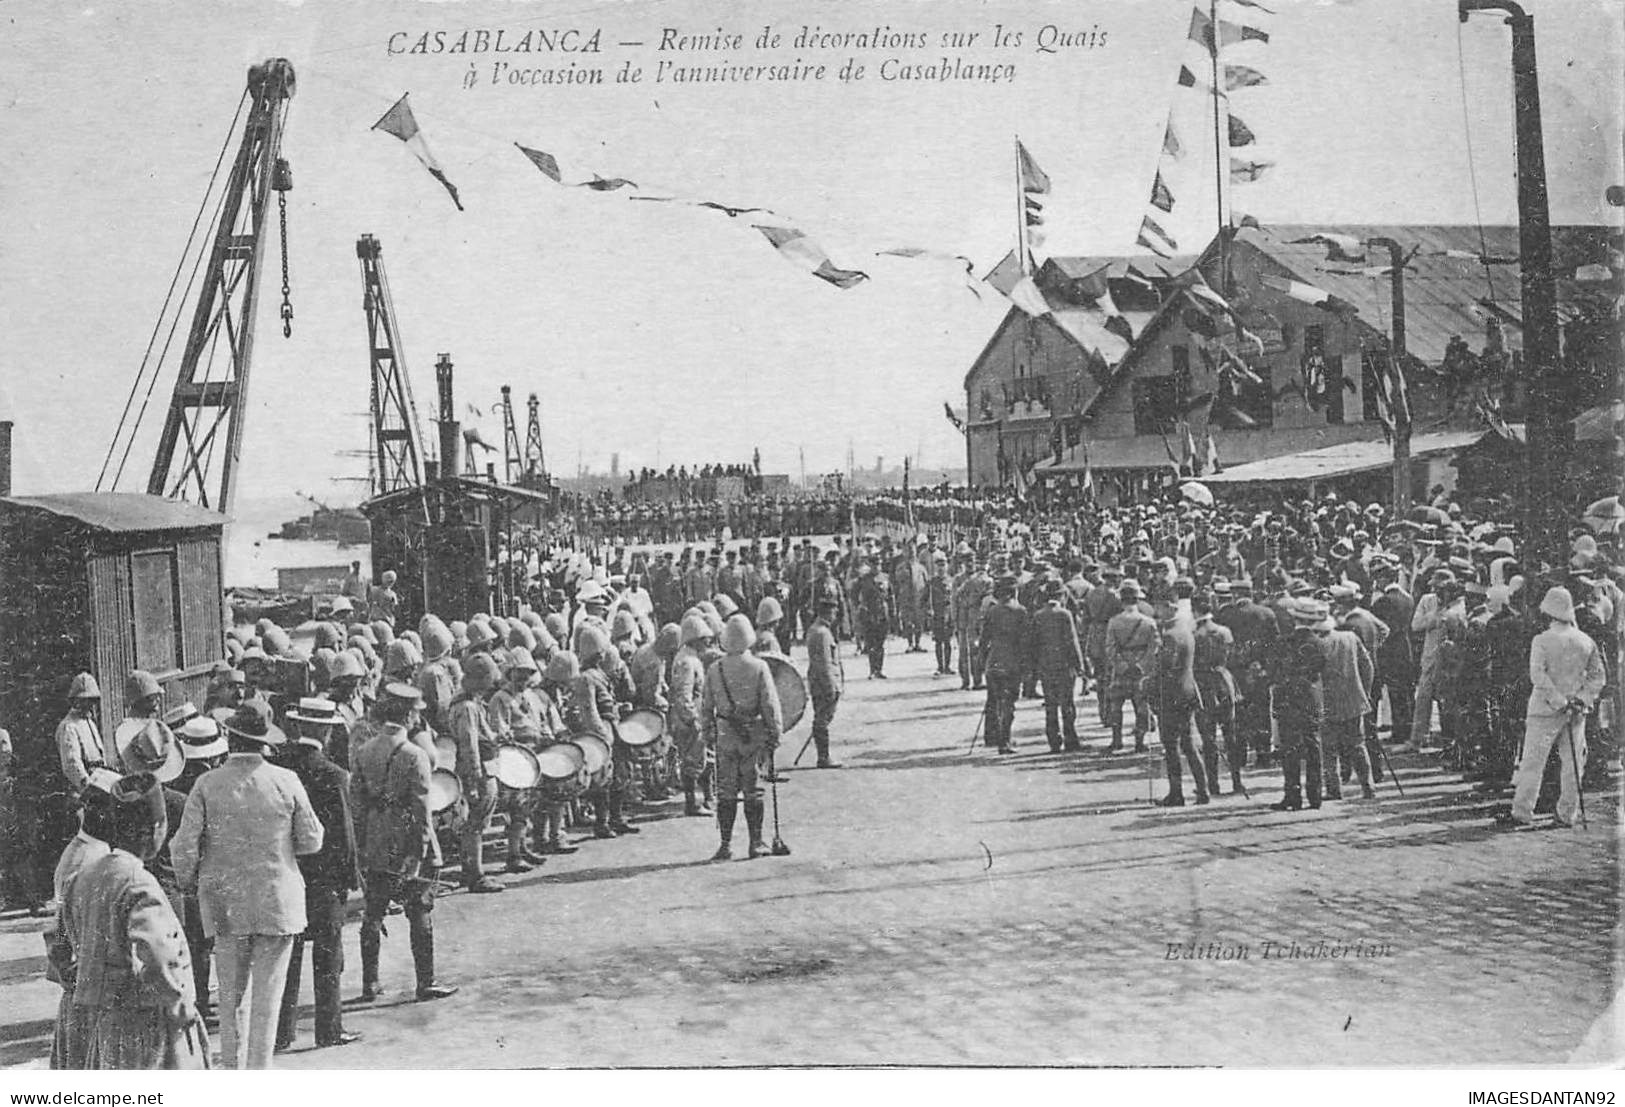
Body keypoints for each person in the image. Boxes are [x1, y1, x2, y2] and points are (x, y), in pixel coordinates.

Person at [171, 699, 323, 1069]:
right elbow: (312, 839)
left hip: (225, 902)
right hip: (277, 899)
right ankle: (259, 1072)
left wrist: (189, 880)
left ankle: (233, 1071)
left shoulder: (207, 785)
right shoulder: (286, 780)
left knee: (230, 997)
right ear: (264, 741)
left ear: (230, 737)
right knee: (268, 997)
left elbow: (184, 848)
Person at [53, 774, 209, 1070]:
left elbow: (57, 944)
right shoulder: (139, 883)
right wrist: (180, 1006)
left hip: (103, 1021)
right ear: (154, 830)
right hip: (145, 1024)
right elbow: (157, 957)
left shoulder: (81, 877)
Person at [350, 683, 459, 1002]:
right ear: (408, 715)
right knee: (420, 909)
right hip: (409, 843)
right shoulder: (416, 756)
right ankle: (426, 982)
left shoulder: (364, 751)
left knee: (373, 914)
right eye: (415, 713)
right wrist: (420, 851)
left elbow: (357, 805)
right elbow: (422, 811)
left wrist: (362, 847)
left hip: (376, 842)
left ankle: (370, 983)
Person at [274, 698, 363, 1052]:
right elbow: (344, 836)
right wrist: (350, 880)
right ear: (326, 731)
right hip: (325, 879)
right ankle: (330, 1029)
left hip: (288, 874)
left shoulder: (279, 768)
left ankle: (281, 1031)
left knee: (288, 956)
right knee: (327, 954)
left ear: (297, 727)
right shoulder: (333, 774)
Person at [1499, 587, 1605, 829]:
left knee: (1533, 762)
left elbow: (1537, 675)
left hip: (1544, 709)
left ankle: (1523, 811)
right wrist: (1581, 699)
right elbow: (1598, 677)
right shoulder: (1586, 641)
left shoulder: (1542, 640)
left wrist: (1559, 700)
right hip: (1576, 712)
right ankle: (1568, 812)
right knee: (1573, 763)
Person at [700, 614, 784, 859]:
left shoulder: (715, 669)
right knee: (753, 789)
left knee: (726, 791)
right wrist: (774, 733)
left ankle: (725, 845)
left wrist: (708, 734)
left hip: (725, 733)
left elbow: (706, 706)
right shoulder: (759, 667)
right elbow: (770, 704)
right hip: (753, 734)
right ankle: (755, 842)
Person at [448, 653, 507, 892]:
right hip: (478, 770)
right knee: (475, 824)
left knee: (474, 824)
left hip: (480, 767)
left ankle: (470, 870)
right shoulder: (468, 708)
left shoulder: (468, 703)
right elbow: (469, 745)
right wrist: (473, 780)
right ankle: (475, 874)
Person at [1272, 600, 1333, 812]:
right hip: (1311, 697)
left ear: (1295, 618)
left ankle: (1292, 795)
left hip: (1289, 698)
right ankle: (1315, 796)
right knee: (1314, 746)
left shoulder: (1284, 642)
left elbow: (1276, 673)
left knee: (1291, 750)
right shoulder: (1320, 642)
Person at [1153, 598, 1206, 806]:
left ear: (1169, 608)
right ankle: (1203, 790)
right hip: (1188, 691)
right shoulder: (1186, 632)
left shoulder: (1169, 636)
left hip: (1171, 694)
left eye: (1159, 607)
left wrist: (1151, 683)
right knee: (1189, 744)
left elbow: (1165, 668)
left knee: (1171, 745)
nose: (1157, 610)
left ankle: (1176, 793)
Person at [1320, 607, 1376, 801]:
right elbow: (1367, 665)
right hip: (1354, 700)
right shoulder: (1350, 638)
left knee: (1329, 749)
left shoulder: (1319, 644)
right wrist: (1365, 691)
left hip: (1328, 703)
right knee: (1358, 745)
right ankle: (1368, 786)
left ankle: (1334, 789)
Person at [1191, 591, 1242, 796]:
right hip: (1224, 680)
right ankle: (1237, 781)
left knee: (1208, 737)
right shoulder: (1224, 631)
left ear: (1195, 611)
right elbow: (1233, 656)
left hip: (1204, 685)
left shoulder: (1194, 634)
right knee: (1231, 734)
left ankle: (1213, 784)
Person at [1104, 579, 1158, 753]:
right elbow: (1154, 648)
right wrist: (1142, 665)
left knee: (1115, 705)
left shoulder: (1114, 621)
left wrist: (1121, 665)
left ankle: (1116, 740)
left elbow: (1110, 648)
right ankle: (1139, 741)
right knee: (1142, 706)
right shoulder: (1148, 622)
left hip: (1121, 668)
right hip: (1141, 668)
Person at [1031, 580, 1085, 752]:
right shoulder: (1065, 614)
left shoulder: (1038, 615)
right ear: (1062, 595)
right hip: (1064, 665)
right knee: (1067, 704)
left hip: (1046, 665)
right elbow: (1072, 641)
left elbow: (1034, 643)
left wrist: (1035, 665)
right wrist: (1080, 665)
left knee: (1050, 704)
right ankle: (1071, 739)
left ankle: (1053, 740)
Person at [979, 575, 1030, 755]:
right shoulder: (1020, 612)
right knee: (1008, 703)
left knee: (993, 700)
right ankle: (1004, 741)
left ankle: (991, 736)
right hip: (1012, 663)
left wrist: (983, 660)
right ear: (1012, 591)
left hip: (993, 661)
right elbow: (1025, 642)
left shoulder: (992, 611)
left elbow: (984, 639)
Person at [670, 614, 715, 816]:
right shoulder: (687, 662)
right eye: (704, 638)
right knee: (692, 761)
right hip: (689, 718)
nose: (708, 641)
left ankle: (702, 799)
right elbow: (683, 694)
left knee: (700, 759)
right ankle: (692, 803)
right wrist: (692, 719)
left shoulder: (689, 658)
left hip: (693, 715)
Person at [805, 596, 844, 769]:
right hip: (823, 683)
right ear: (828, 613)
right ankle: (823, 757)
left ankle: (823, 755)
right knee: (822, 719)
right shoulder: (821, 633)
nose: (836, 615)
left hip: (819, 681)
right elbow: (824, 664)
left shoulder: (818, 630)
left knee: (822, 718)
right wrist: (831, 687)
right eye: (834, 612)